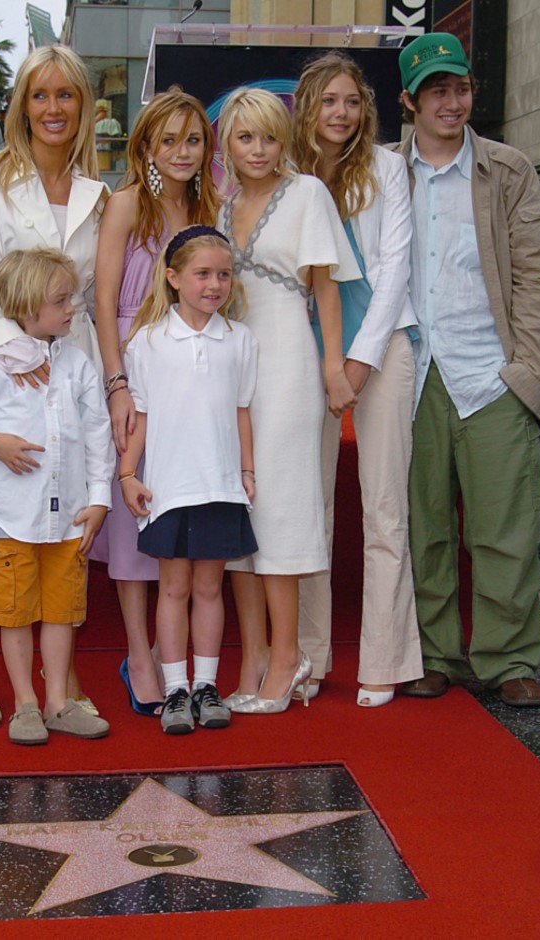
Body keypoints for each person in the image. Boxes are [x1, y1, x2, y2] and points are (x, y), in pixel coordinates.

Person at [394, 33, 540, 707]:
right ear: (410, 100)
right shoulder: (385, 171)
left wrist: (524, 365)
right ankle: (436, 653)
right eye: (436, 90)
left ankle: (509, 657)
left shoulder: (507, 168)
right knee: (425, 526)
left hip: (488, 369)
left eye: (460, 87)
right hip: (413, 373)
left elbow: (537, 271)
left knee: (505, 526)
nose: (452, 101)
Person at [0, 44, 107, 726]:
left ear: (84, 105)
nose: (53, 108)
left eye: (66, 95)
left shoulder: (100, 186)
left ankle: (56, 690)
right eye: (40, 95)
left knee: (63, 526)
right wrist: (16, 349)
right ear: (20, 105)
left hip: (75, 362)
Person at [216, 87, 360, 714]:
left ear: (285, 141)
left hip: (289, 364)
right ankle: (250, 658)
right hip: (231, 368)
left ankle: (287, 657)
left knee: (280, 511)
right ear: (228, 143)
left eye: (269, 137)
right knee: (239, 513)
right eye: (245, 137)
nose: (257, 149)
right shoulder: (219, 205)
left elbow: (326, 292)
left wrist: (334, 367)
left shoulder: (306, 194)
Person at [0, 248, 113, 744]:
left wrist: (99, 497)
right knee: (13, 613)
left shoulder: (78, 365)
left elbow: (98, 432)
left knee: (61, 610)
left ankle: (58, 701)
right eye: (61, 301)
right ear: (26, 305)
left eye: (72, 297)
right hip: (10, 516)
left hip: (70, 517)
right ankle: (25, 706)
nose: (71, 308)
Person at [292, 52, 423, 707]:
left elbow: (397, 265)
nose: (340, 112)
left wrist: (359, 363)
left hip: (384, 345)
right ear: (308, 106)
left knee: (383, 510)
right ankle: (310, 659)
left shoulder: (388, 168)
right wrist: (323, 362)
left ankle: (386, 660)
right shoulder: (289, 176)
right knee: (308, 510)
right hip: (307, 352)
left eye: (350, 101)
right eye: (328, 100)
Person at [93, 89, 219, 717]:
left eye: (192, 139)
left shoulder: (209, 206)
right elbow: (104, 303)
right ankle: (138, 653)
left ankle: (183, 659)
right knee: (131, 514)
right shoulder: (123, 207)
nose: (180, 151)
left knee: (180, 509)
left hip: (191, 380)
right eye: (167, 139)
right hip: (135, 378)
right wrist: (118, 386)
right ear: (144, 145)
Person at [119, 226, 258, 733]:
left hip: (219, 485)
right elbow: (143, 415)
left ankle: (206, 685)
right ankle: (175, 688)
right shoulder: (149, 342)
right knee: (173, 588)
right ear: (174, 278)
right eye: (202, 274)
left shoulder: (240, 339)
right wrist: (128, 473)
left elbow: (242, 411)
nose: (214, 285)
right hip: (171, 487)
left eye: (223, 274)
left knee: (210, 587)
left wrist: (245, 471)